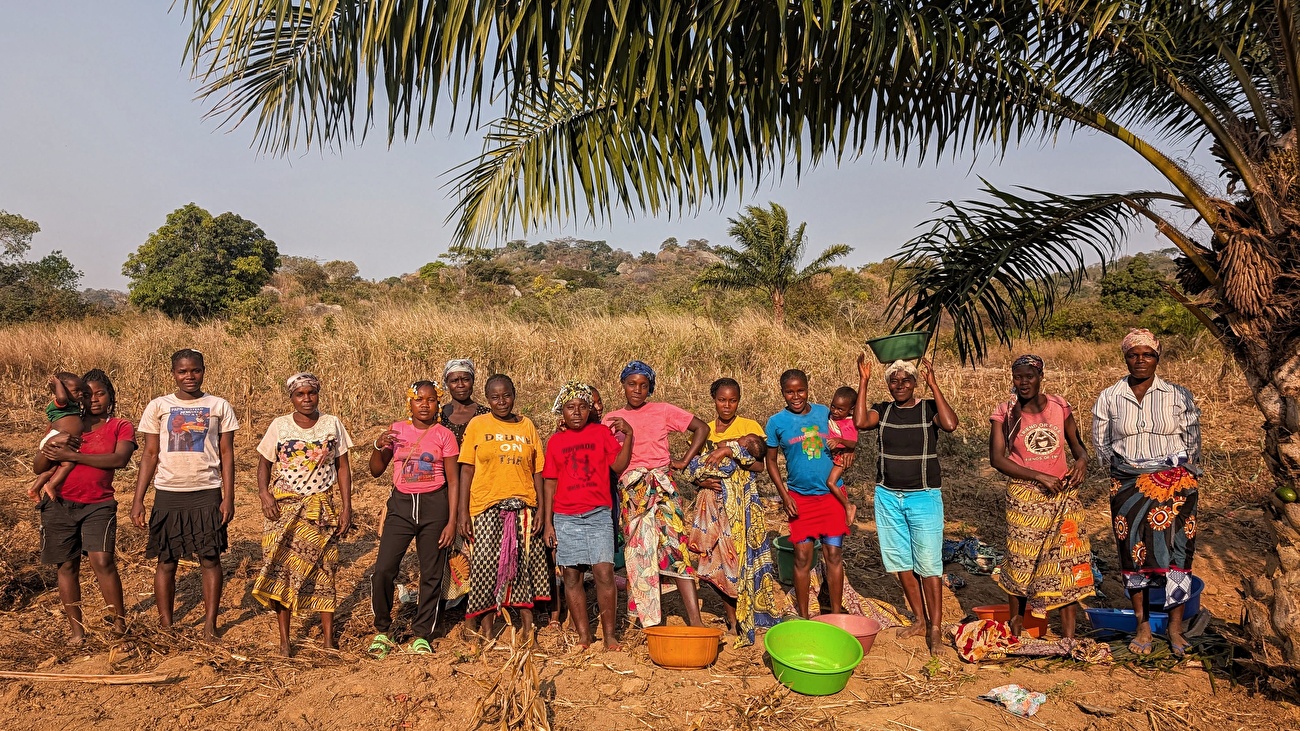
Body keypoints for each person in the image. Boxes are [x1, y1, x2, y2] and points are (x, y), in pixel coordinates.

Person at [1092, 328, 1202, 657]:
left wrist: (1177, 473)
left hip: (1176, 486)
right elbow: (1101, 444)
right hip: (1127, 484)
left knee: (1178, 552)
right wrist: (1131, 471)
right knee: (1133, 552)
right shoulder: (1109, 396)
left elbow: (1194, 442)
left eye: (1148, 354)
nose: (1140, 360)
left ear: (1158, 357)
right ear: (1125, 357)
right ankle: (1142, 625)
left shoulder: (1178, 395)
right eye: (1133, 355)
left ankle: (1175, 628)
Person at [853, 354, 959, 656]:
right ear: (887, 385)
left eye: (906, 380)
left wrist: (934, 385)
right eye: (894, 380)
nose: (899, 385)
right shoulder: (883, 412)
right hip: (888, 496)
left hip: (923, 495)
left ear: (915, 383)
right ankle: (920, 619)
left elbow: (950, 424)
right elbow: (860, 422)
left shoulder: (928, 409)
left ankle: (935, 630)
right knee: (901, 562)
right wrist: (864, 380)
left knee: (929, 565)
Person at [131, 349, 239, 639]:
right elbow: (150, 453)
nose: (189, 376)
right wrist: (138, 499)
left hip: (207, 491)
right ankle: (166, 624)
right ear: (173, 373)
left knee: (210, 557)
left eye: (195, 371)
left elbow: (227, 454)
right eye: (182, 371)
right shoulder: (158, 406)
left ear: (204, 371)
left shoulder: (218, 406)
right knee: (166, 560)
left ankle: (209, 625)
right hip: (169, 491)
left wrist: (228, 496)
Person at [988, 355, 1092, 641]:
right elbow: (997, 459)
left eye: (1029, 376)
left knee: (1065, 563)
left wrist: (1081, 462)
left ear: (1040, 376)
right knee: (1021, 561)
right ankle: (1016, 630)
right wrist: (1037, 476)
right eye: (1018, 376)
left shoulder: (1059, 407)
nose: (1023, 382)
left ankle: (1068, 638)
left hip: (1062, 496)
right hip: (1025, 498)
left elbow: (1079, 447)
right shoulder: (1005, 412)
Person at [252, 373, 354, 656]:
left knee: (325, 571)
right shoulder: (279, 426)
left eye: (311, 393)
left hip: (320, 509)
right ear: (291, 398)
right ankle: (285, 642)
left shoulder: (332, 424)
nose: (306, 399)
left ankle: (328, 640)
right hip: (283, 509)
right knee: (280, 568)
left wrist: (346, 507)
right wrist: (264, 494)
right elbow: (263, 464)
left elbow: (343, 467)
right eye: (300, 394)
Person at [603, 360, 710, 628]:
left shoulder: (662, 411)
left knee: (677, 549)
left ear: (650, 388)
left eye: (643, 385)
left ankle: (695, 621)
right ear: (623, 386)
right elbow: (604, 455)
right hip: (632, 491)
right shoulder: (612, 419)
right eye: (631, 384)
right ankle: (646, 622)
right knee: (639, 554)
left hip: (662, 487)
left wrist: (685, 460)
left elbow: (702, 428)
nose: (637, 390)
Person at [33, 370, 134, 643]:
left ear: (111, 396)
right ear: (78, 398)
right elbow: (38, 466)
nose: (94, 399)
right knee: (66, 566)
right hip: (59, 503)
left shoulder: (120, 426)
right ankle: (77, 632)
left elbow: (119, 460)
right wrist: (53, 446)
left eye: (100, 393)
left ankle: (119, 625)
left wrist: (71, 455)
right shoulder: (67, 424)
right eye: (87, 394)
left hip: (99, 504)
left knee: (102, 561)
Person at [368, 380, 460, 657]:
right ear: (409, 403)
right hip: (402, 505)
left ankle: (422, 634)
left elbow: (454, 482)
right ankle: (383, 631)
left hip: (436, 506)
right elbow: (375, 470)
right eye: (418, 399)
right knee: (384, 568)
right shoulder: (396, 431)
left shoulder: (445, 435)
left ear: (438, 404)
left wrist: (452, 521)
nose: (424, 404)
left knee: (431, 574)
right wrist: (378, 444)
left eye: (430, 400)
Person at [457, 374, 550, 644]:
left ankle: (527, 628)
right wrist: (463, 512)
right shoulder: (478, 424)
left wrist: (542, 508)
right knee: (484, 565)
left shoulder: (527, 426)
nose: (502, 401)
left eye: (506, 395)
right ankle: (478, 626)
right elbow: (467, 469)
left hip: (523, 507)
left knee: (522, 566)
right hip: (485, 506)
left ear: (514, 394)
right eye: (495, 397)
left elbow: (538, 471)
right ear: (487, 399)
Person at [542, 381, 633, 650]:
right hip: (566, 517)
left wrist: (630, 436)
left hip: (598, 515)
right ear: (563, 412)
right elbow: (550, 482)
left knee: (604, 571)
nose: (577, 412)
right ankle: (584, 635)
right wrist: (548, 523)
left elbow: (618, 464)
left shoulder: (601, 434)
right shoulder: (556, 441)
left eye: (582, 406)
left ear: (590, 409)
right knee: (571, 576)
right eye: (570, 407)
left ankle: (609, 636)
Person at [765, 369, 852, 619]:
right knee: (802, 557)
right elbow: (771, 461)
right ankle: (804, 616)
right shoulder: (776, 422)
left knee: (833, 554)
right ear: (782, 392)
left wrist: (849, 451)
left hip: (831, 497)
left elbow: (848, 434)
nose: (796, 396)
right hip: (799, 499)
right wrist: (785, 496)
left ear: (808, 388)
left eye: (800, 390)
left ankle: (835, 615)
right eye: (789, 392)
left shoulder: (826, 413)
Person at [29, 372, 88, 502]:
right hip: (56, 439)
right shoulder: (60, 403)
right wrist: (57, 384)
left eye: (82, 391)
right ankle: (51, 485)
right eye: (76, 390)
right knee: (68, 465)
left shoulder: (72, 405)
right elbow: (62, 398)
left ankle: (35, 488)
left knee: (52, 469)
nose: (81, 394)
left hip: (61, 440)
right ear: (60, 391)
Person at [825, 385, 860, 523]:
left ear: (850, 410)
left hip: (841, 456)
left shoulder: (848, 423)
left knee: (831, 482)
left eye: (840, 409)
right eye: (833, 406)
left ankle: (848, 506)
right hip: (834, 455)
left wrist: (839, 440)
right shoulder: (831, 417)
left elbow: (853, 443)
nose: (835, 411)